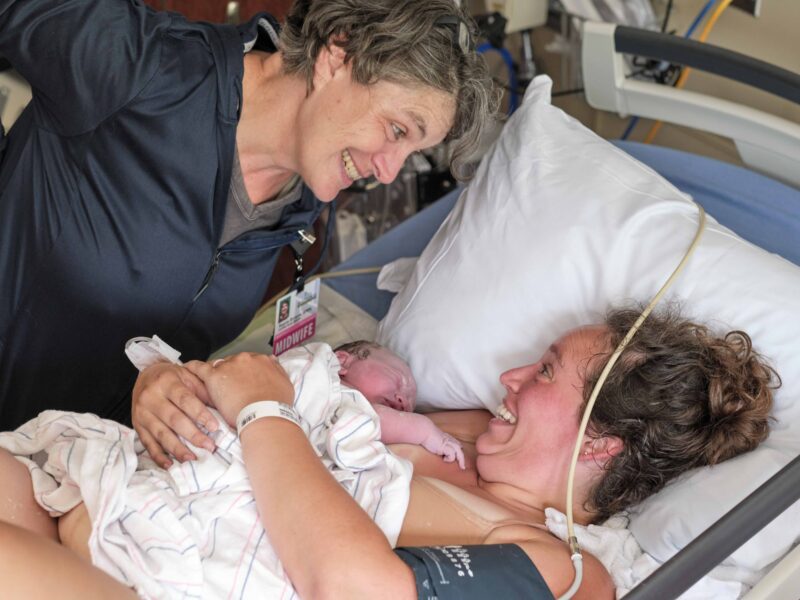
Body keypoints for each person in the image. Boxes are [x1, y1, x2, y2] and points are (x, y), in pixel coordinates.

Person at [0, 307, 778, 597]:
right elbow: (278, 394)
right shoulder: (457, 431)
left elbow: (357, 589)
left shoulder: (565, 573)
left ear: (600, 442)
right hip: (103, 504)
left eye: (543, 373)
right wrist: (164, 392)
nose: (508, 377)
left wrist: (263, 411)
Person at [0, 0, 496, 429]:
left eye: (411, 152)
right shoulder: (144, 67)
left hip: (72, 482)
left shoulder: (302, 208)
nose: (388, 172)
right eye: (396, 130)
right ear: (337, 55)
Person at [335, 340, 464, 468]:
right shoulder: (324, 374)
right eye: (399, 381)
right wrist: (427, 432)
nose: (404, 400)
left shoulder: (352, 411)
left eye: (410, 403)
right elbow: (374, 418)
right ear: (342, 361)